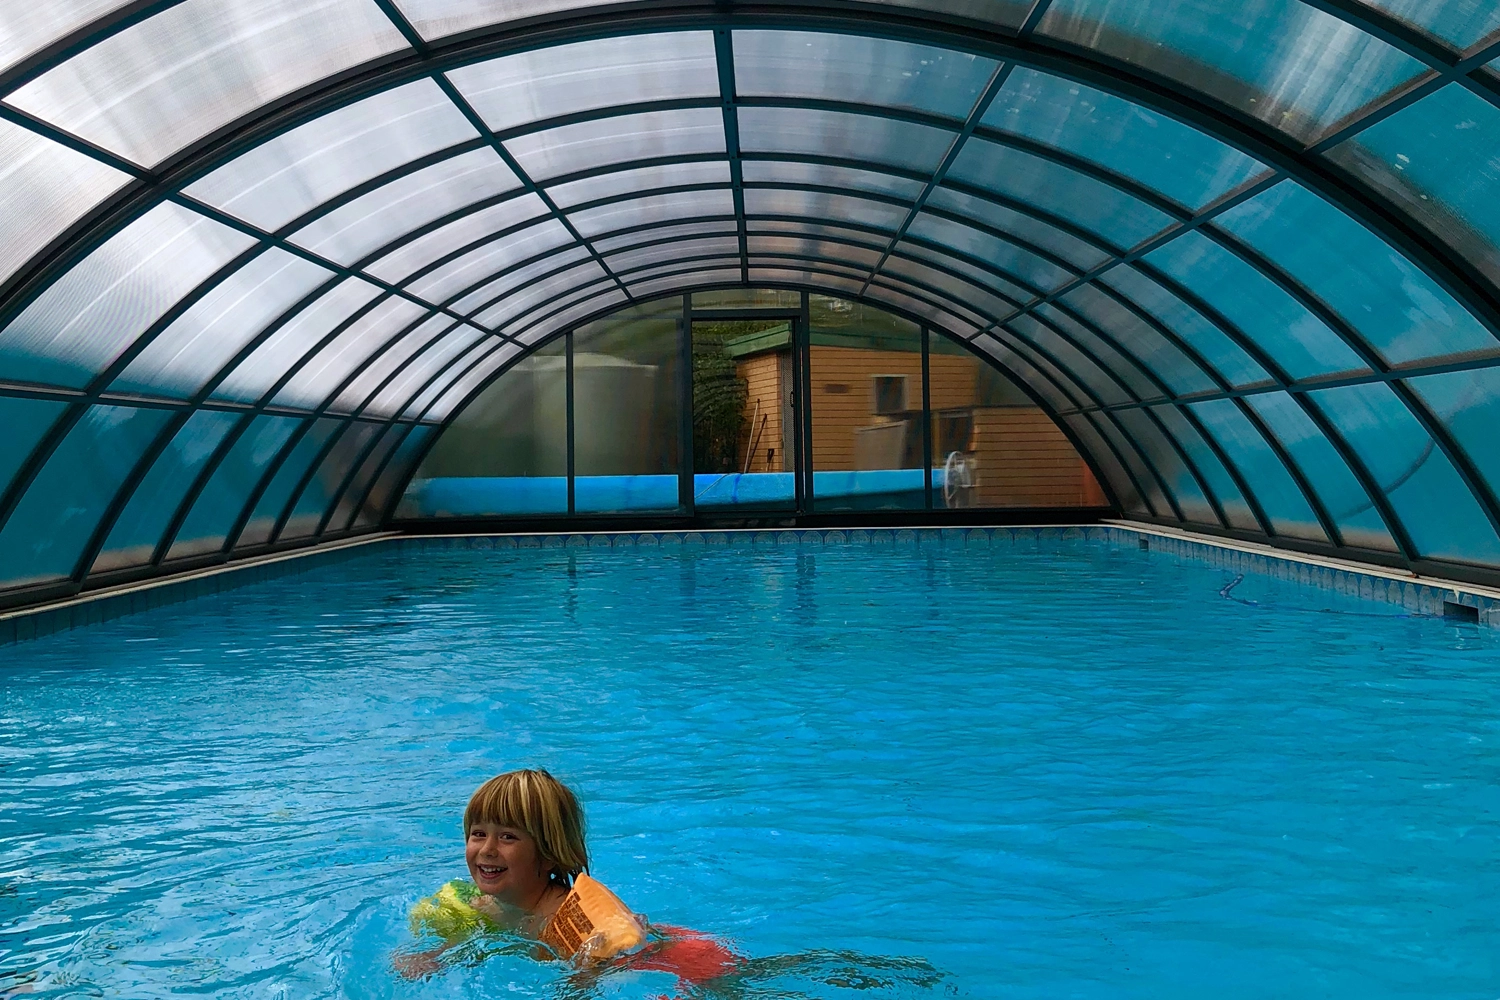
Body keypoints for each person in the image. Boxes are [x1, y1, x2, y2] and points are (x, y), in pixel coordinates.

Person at [396, 769, 740, 987]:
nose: (486, 849)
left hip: (688, 961)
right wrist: (435, 956)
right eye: (478, 833)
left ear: (548, 854)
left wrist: (587, 973)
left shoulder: (568, 915)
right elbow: (482, 941)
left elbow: (607, 969)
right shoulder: (483, 905)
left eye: (508, 837)